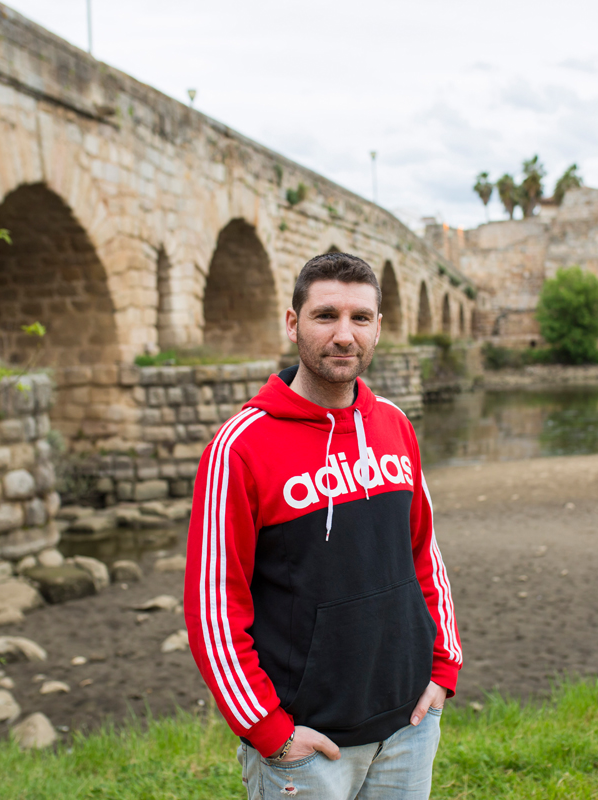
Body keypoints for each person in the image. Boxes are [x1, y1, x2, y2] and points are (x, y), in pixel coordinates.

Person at [184, 251, 462, 800]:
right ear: (293, 323)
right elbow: (213, 606)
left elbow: (423, 553)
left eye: (360, 318)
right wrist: (268, 730)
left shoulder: (394, 425)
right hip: (307, 747)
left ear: (378, 328)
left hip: (409, 723)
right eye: (325, 315)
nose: (344, 335)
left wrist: (443, 665)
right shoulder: (240, 446)